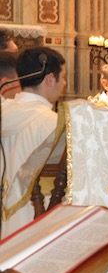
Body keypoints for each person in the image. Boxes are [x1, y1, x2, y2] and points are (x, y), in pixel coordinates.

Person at [1, 47, 68, 239]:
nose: (64, 84)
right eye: (62, 77)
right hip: (35, 219)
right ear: (49, 79)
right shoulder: (53, 123)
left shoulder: (4, 111)